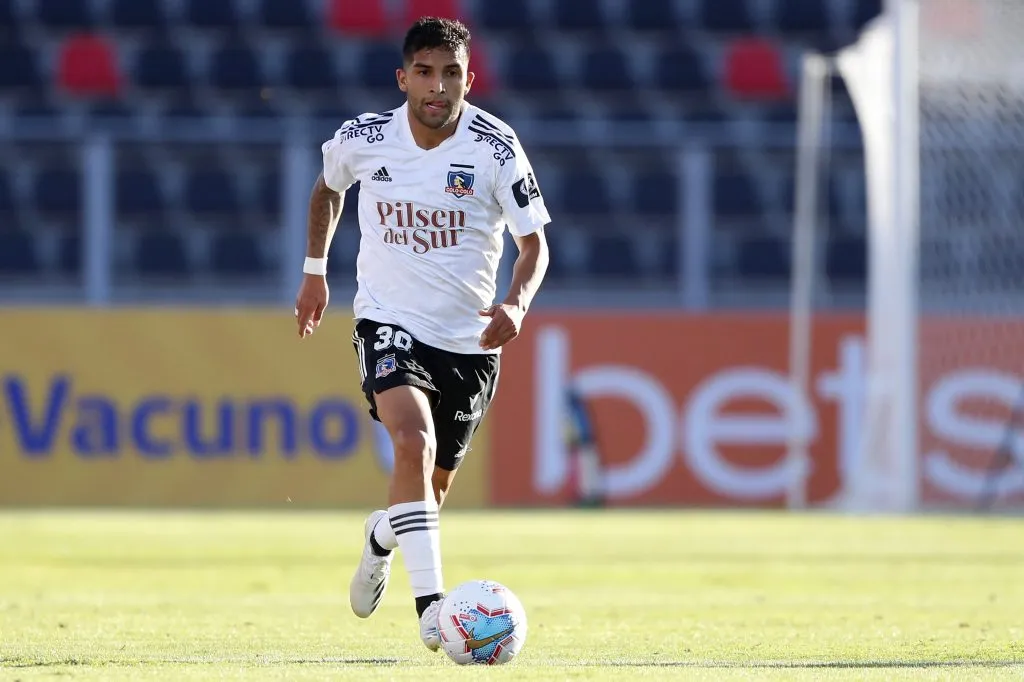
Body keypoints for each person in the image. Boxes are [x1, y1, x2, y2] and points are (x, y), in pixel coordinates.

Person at [293, 16, 551, 652]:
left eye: (451, 73)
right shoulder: (365, 138)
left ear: (469, 79)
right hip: (388, 320)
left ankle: (381, 536)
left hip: (469, 340)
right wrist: (315, 273)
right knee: (411, 441)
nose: (439, 86)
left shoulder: (495, 148)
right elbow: (327, 189)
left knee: (426, 498)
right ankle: (432, 611)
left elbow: (534, 244)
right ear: (403, 78)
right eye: (426, 72)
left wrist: (516, 303)